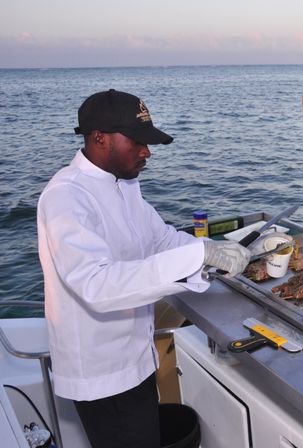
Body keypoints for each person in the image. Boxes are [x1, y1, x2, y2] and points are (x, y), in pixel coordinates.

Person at [36, 89, 250, 448]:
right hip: (103, 376)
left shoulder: (124, 185)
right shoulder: (66, 197)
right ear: (99, 138)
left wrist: (219, 250)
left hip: (136, 359)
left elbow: (161, 240)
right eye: (136, 141)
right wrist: (199, 256)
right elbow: (98, 286)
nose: (147, 151)